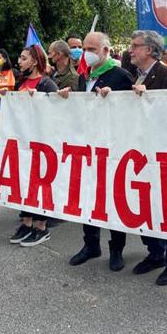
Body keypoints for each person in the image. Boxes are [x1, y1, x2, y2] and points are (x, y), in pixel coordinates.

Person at [61, 32, 134, 271]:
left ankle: (116, 249)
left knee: (112, 198)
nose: (87, 53)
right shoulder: (85, 76)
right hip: (88, 147)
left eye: (92, 49)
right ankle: (91, 244)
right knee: (88, 197)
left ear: (105, 50)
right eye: (85, 48)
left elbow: (133, 110)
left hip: (113, 148)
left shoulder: (121, 75)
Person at [128, 30, 167, 286]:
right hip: (141, 150)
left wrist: (148, 99)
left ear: (150, 50)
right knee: (146, 205)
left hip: (163, 152)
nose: (131, 50)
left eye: (135, 46)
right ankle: (155, 252)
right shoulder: (134, 74)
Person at [8, 45, 58, 246]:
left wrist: (36, 101)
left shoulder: (47, 84)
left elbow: (55, 113)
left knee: (39, 184)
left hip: (41, 143)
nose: (19, 62)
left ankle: (41, 226)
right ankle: (26, 222)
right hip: (23, 142)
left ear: (35, 61)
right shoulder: (20, 82)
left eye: (23, 58)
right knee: (24, 184)